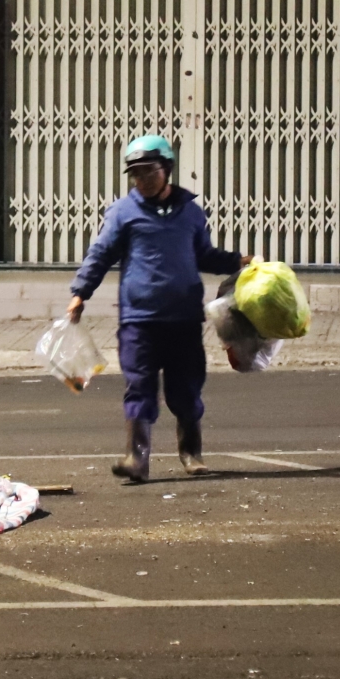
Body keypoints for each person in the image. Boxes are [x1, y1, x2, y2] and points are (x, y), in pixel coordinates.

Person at [66, 135, 252, 483]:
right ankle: (137, 458)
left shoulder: (191, 213)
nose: (143, 179)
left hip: (183, 319)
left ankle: (191, 453)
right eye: (136, 174)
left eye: (149, 171)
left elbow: (203, 255)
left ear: (167, 169)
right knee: (139, 385)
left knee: (186, 387)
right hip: (140, 321)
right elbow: (100, 255)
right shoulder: (123, 213)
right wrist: (80, 293)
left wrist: (237, 262)